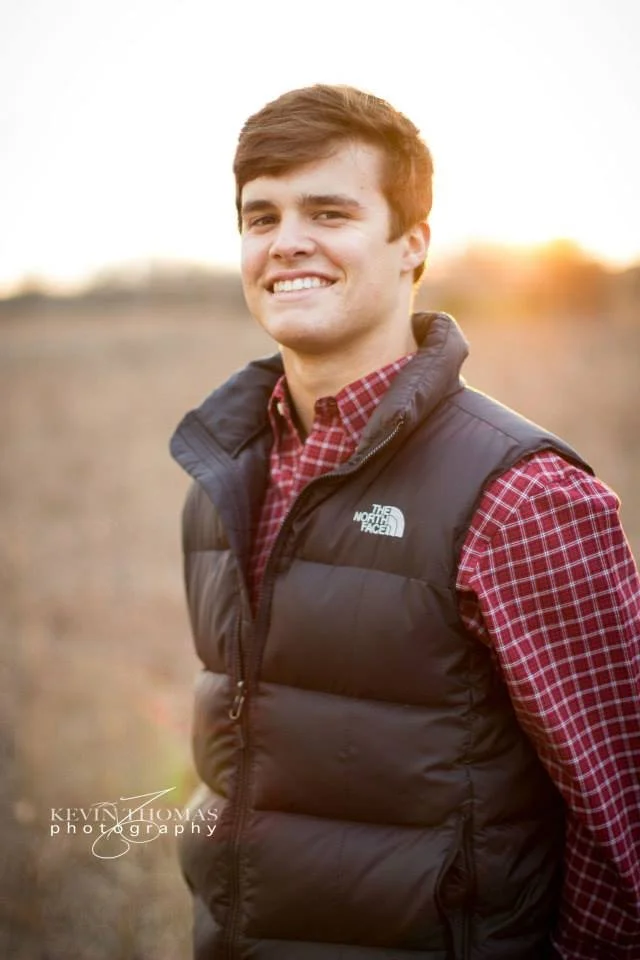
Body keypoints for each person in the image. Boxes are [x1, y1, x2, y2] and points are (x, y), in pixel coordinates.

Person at [170, 84, 640, 960]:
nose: (287, 241)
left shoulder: (523, 495)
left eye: (329, 212)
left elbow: (623, 828)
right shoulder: (220, 477)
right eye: (262, 216)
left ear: (412, 243)